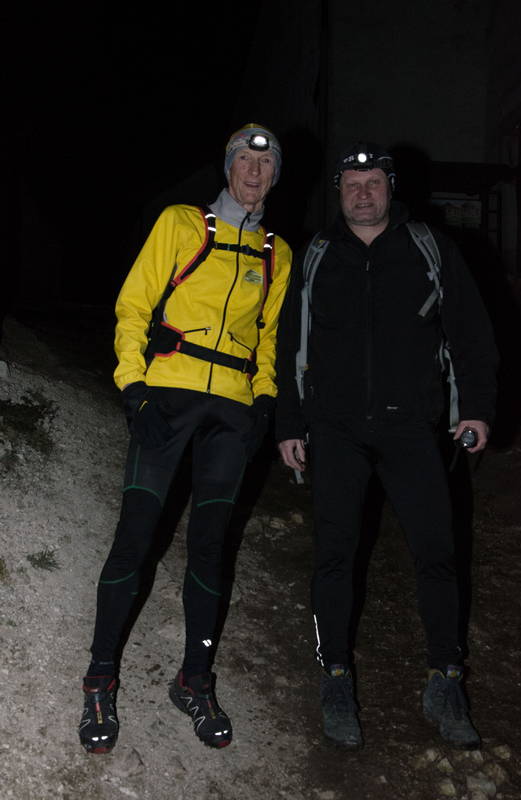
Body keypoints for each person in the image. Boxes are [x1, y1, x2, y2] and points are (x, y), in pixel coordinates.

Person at [276, 142, 498, 751]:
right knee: (334, 556)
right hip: (336, 430)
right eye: (352, 184)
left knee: (438, 553)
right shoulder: (318, 254)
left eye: (373, 182)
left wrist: (477, 408)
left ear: (390, 188)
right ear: (339, 192)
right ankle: (335, 676)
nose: (362, 193)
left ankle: (445, 678)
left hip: (414, 429)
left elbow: (471, 332)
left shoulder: (429, 247)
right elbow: (290, 342)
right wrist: (289, 424)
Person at [79, 124, 292, 753]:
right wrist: (134, 387)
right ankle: (99, 678)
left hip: (232, 412)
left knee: (210, 549)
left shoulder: (277, 253)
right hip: (167, 395)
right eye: (244, 160)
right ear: (227, 168)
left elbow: (270, 338)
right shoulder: (181, 223)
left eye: (265, 164)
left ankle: (193, 680)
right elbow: (133, 306)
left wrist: (264, 399)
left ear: (275, 176)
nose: (253, 171)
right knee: (135, 538)